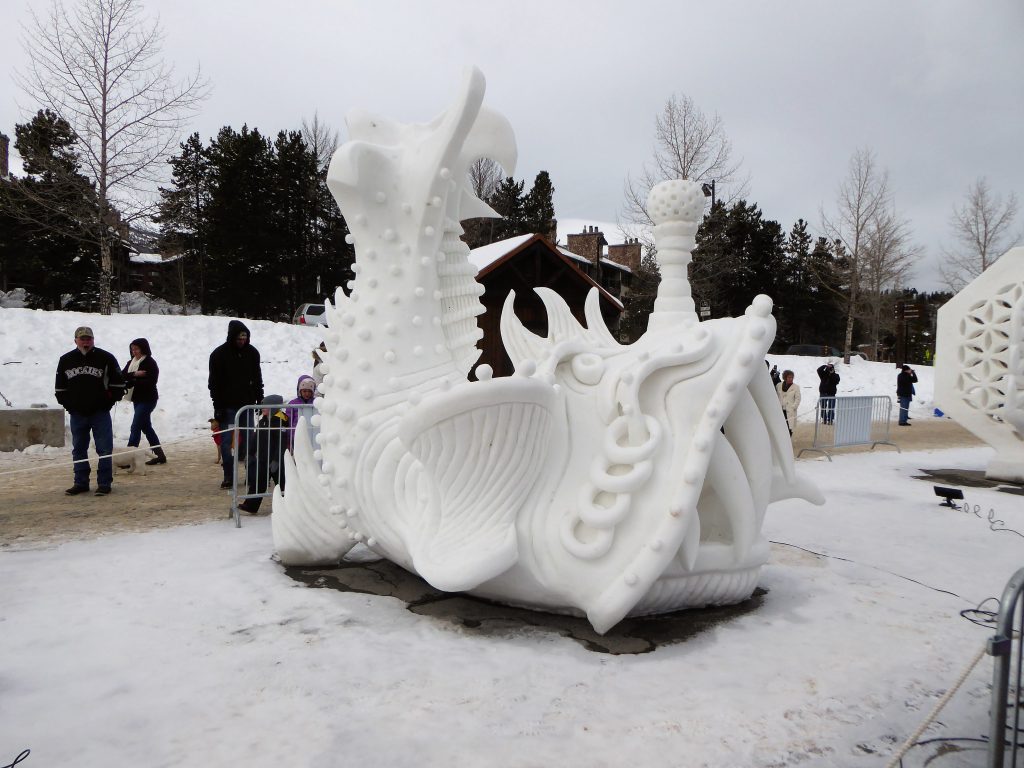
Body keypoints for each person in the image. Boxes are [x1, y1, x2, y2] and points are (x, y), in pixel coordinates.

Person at [54, 326, 125, 496]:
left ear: (93, 340)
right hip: (77, 414)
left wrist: (107, 403)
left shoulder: (106, 358)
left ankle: (104, 483)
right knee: (79, 449)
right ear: (75, 340)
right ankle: (80, 483)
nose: (86, 342)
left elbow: (118, 385)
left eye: (88, 339)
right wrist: (69, 406)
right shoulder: (66, 360)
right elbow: (60, 388)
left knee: (105, 449)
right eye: (82, 339)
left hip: (100, 413)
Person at [209, 320, 264, 489]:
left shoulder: (253, 353)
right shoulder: (219, 354)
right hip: (228, 407)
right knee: (226, 442)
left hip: (247, 406)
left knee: (249, 441)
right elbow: (214, 383)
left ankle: (252, 475)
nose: (242, 341)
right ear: (232, 337)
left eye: (245, 338)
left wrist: (259, 398)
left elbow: (257, 378)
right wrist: (218, 407)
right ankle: (229, 475)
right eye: (239, 338)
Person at [118, 338, 166, 470]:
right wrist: (135, 374)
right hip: (137, 399)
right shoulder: (131, 362)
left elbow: (151, 382)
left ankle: (127, 458)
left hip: (148, 399)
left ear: (143, 349)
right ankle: (159, 455)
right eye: (132, 349)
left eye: (136, 349)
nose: (134, 352)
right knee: (146, 427)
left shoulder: (150, 362)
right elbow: (121, 376)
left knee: (135, 426)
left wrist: (133, 380)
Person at [238, 395, 289, 514]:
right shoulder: (262, 421)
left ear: (273, 407)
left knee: (283, 484)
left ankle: (288, 505)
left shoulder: (280, 421)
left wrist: (277, 460)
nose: (262, 409)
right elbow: (255, 439)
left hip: (277, 461)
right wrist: (250, 453)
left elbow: (281, 443)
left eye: (265, 407)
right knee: (258, 482)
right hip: (263, 459)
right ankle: (251, 505)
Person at [286, 375, 317, 451]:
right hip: (296, 436)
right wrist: (289, 437)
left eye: (309, 391)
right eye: (304, 391)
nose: (307, 393)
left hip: (312, 436)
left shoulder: (316, 403)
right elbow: (288, 421)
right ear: (299, 391)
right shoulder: (293, 403)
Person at [776, 369, 800, 437]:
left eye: (792, 377)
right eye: (789, 377)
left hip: (790, 410)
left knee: (789, 427)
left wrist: (794, 407)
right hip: (780, 410)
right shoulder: (779, 385)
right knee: (780, 426)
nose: (791, 379)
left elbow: (798, 398)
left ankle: (788, 441)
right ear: (785, 377)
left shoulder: (796, 387)